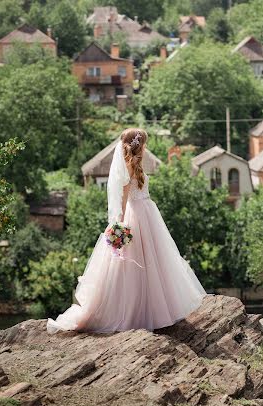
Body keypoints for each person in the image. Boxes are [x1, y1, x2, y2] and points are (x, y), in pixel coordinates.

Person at [47, 128, 207, 334]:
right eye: (145, 143)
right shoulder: (129, 167)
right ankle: (135, 312)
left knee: (152, 262)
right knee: (136, 264)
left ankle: (154, 309)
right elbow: (122, 198)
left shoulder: (136, 164)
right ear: (140, 145)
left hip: (147, 213)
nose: (147, 146)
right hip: (137, 216)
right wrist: (119, 226)